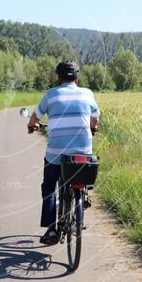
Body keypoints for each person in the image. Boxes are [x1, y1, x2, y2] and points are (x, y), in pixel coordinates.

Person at [27, 61, 100, 245]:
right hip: (82, 153)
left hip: (56, 154)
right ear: (77, 77)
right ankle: (84, 193)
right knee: (84, 168)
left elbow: (36, 116)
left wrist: (32, 125)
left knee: (49, 187)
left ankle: (52, 229)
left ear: (58, 78)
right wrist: (92, 128)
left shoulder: (51, 94)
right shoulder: (87, 93)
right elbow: (95, 118)